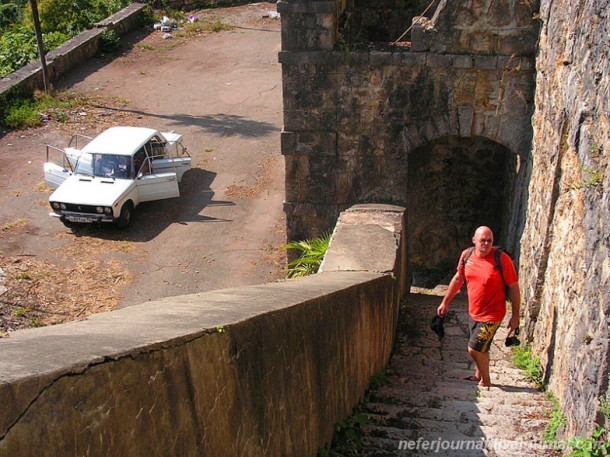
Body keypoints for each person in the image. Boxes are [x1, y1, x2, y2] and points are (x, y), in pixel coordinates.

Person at [437, 226, 520, 388]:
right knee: (483, 347)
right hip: (474, 311)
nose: (486, 244)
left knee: (474, 349)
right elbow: (458, 279)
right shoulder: (467, 255)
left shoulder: (502, 259)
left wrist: (515, 315)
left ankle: (486, 381)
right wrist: (445, 302)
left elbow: (514, 287)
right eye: (482, 240)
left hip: (493, 314)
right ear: (474, 240)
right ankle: (477, 375)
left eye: (489, 240)